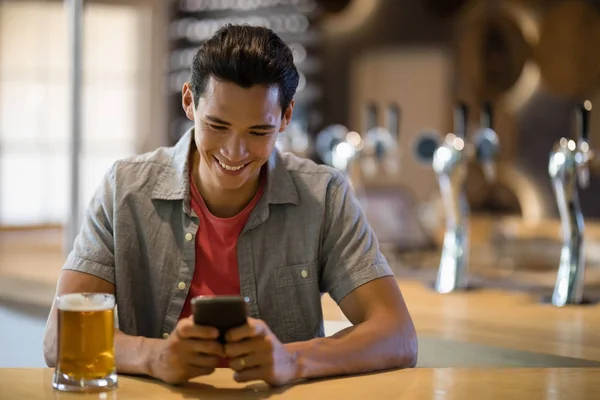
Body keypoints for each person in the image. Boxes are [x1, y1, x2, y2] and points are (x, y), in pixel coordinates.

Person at [43, 24, 417, 386]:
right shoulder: (123, 189)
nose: (233, 153)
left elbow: (398, 335)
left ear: (286, 117)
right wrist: (153, 357)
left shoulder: (324, 196)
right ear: (189, 101)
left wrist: (293, 360)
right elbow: (59, 337)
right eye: (217, 126)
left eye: (259, 132)